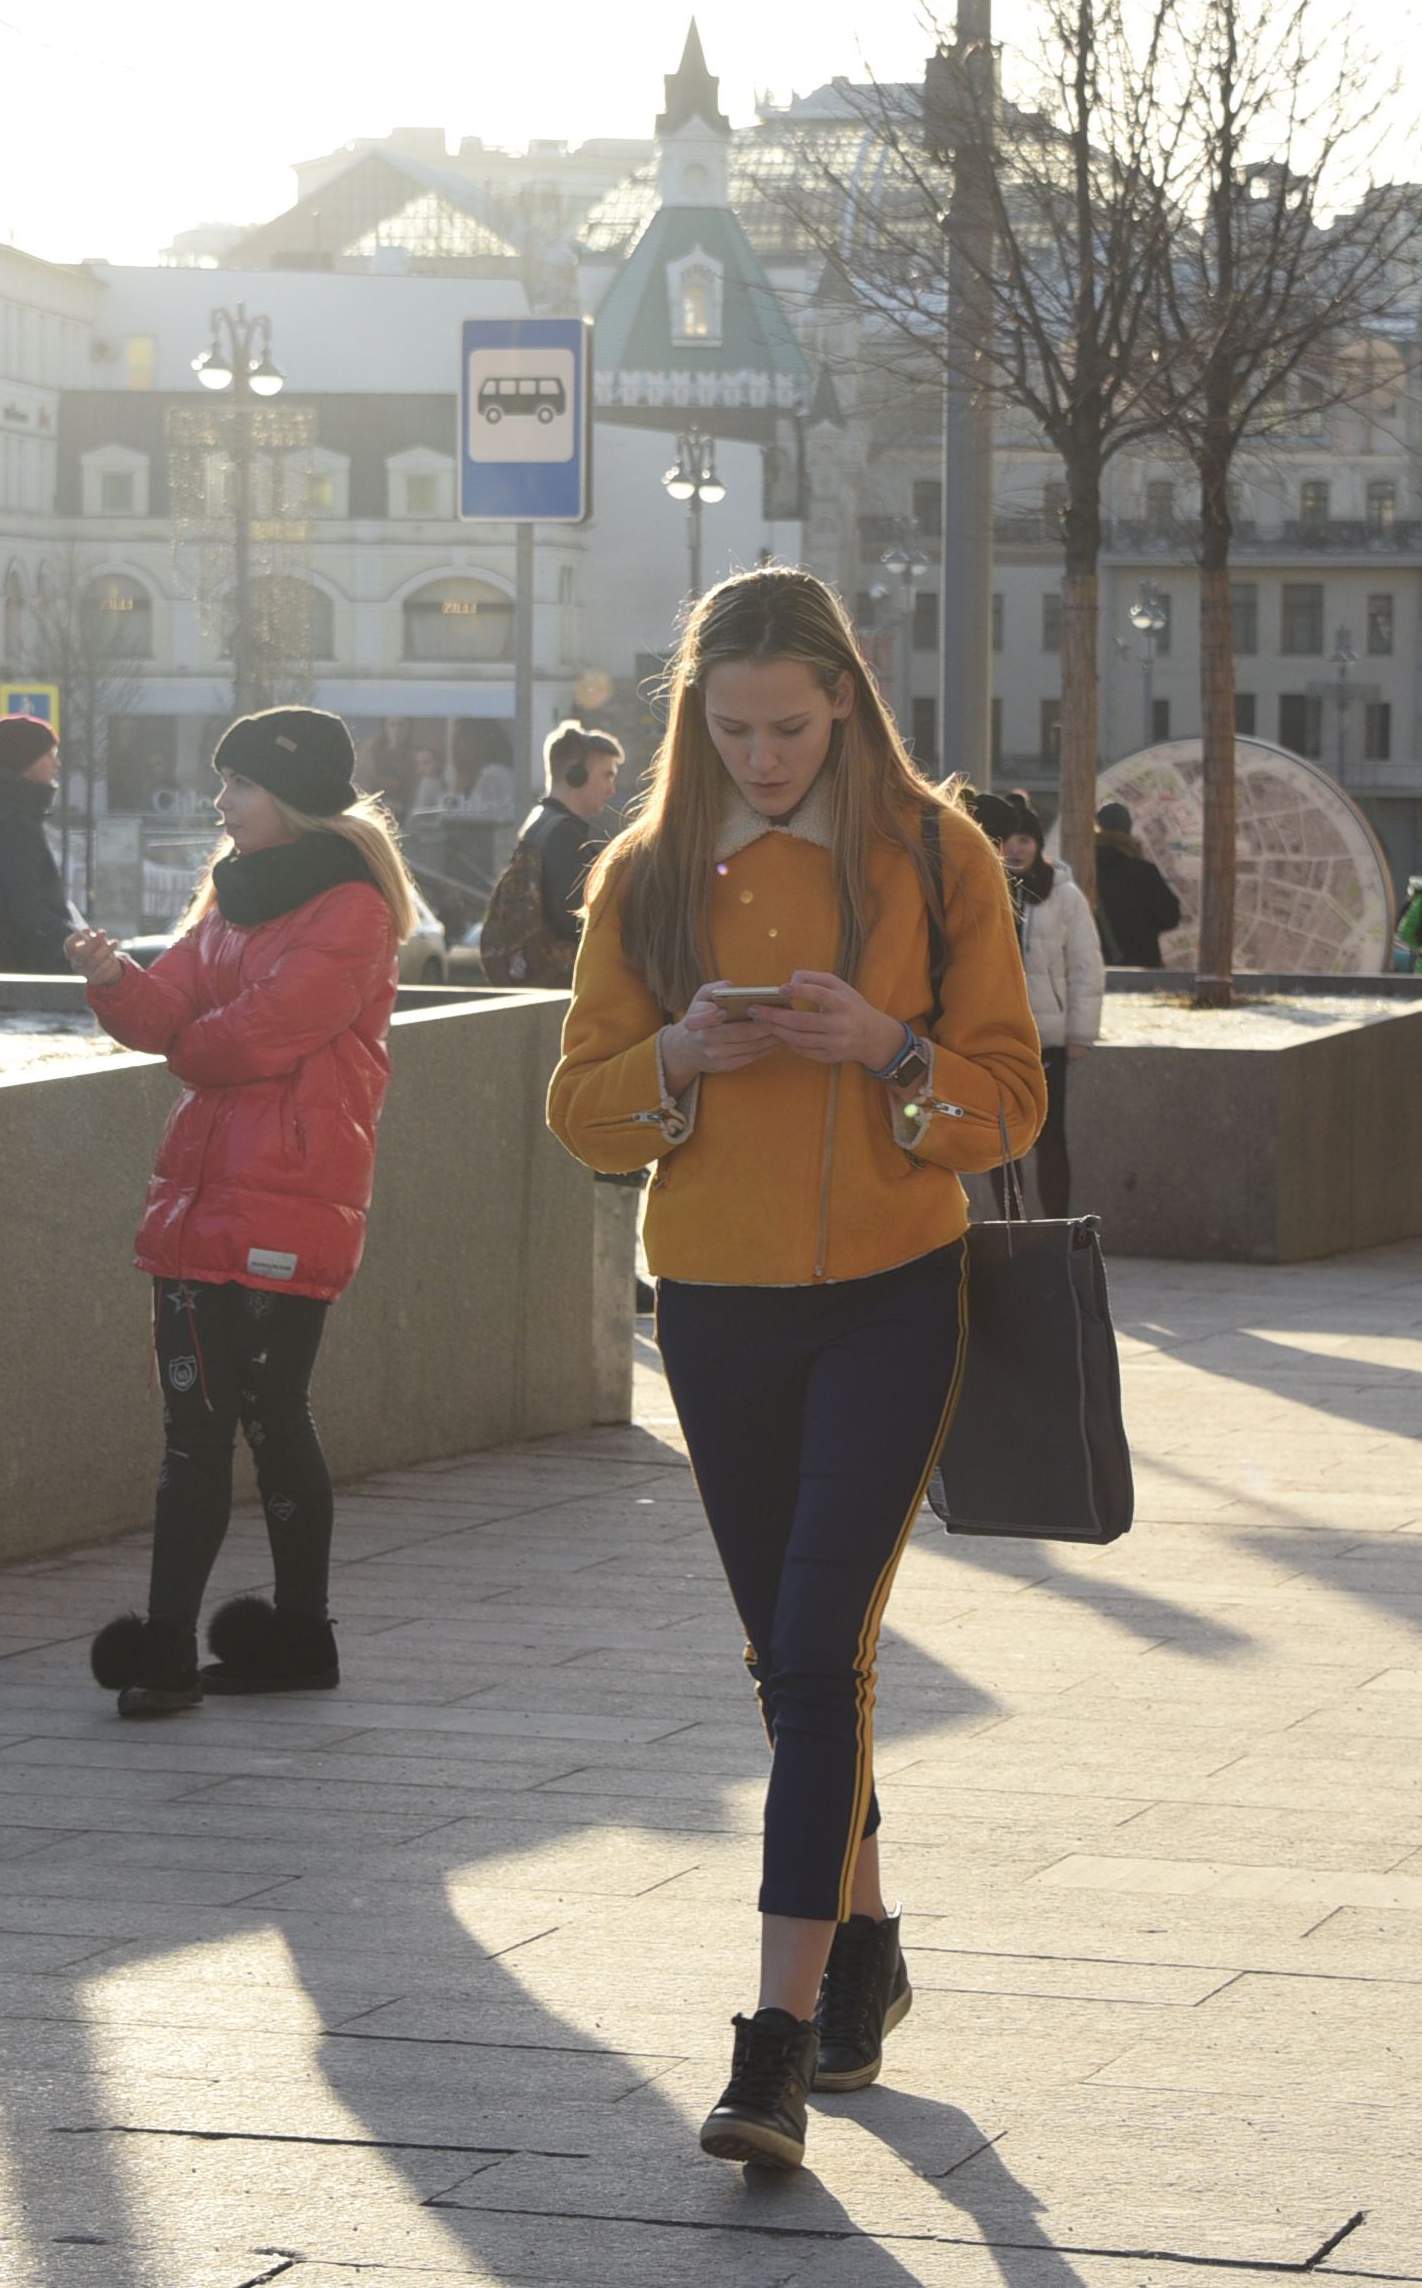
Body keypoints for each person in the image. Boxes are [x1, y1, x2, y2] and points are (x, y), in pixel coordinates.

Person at [544, 567, 1046, 2167]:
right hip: (714, 1300)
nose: (762, 754)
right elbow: (578, 1107)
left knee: (821, 1655)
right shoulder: (641, 872)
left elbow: (1011, 1098)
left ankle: (766, 2045)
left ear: (847, 696)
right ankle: (870, 1946)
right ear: (696, 714)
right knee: (791, 1665)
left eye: (789, 723)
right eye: (732, 726)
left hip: (896, 1292)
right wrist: (679, 1053)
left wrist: (887, 1050)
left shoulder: (934, 851)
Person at [69, 708, 403, 1716]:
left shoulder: (352, 908)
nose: (221, 803)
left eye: (241, 785)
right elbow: (171, 1010)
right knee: (197, 1429)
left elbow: (249, 1038)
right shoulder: (230, 898)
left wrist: (185, 1037)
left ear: (292, 796)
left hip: (285, 1204)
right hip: (201, 1201)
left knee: (260, 1416)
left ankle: (283, 1634)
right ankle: (190, 1645)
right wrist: (111, 979)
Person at [975, 788, 1105, 1218]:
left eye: (1025, 840)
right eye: (1008, 840)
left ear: (1039, 845)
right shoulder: (984, 888)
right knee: (1003, 1137)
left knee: (1051, 1136)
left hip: (1047, 1038)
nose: (1015, 848)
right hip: (998, 1036)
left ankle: (1056, 1228)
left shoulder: (1064, 896)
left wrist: (1080, 1034)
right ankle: (1013, 1227)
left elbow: (1086, 965)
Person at [484, 721, 623, 986]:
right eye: (607, 775)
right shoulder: (563, 835)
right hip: (561, 982)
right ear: (577, 775)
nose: (611, 789)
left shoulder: (539, 824)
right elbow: (575, 918)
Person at [0, 714, 72, 973]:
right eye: (49, 755)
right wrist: (67, 945)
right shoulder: (16, 824)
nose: (57, 764)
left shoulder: (4, 814)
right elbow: (26, 907)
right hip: (21, 965)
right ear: (27, 761)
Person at [1090, 800, 1184, 969]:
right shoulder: (1144, 872)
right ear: (1128, 830)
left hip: (1094, 968)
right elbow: (1171, 917)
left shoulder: (1084, 872)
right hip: (1142, 966)